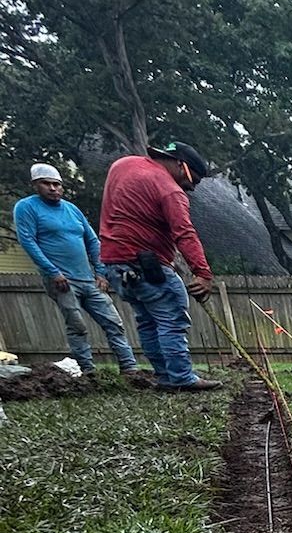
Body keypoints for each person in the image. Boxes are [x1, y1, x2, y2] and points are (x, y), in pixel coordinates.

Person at [98, 142, 223, 393]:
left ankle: (166, 375)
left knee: (147, 320)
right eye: (193, 180)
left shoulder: (122, 166)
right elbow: (185, 234)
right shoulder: (169, 190)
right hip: (146, 265)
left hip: (115, 264)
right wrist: (203, 273)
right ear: (180, 164)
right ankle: (180, 377)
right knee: (172, 318)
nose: (191, 188)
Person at [11, 163, 142, 380]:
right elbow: (28, 241)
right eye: (47, 184)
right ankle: (88, 371)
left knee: (113, 321)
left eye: (57, 184)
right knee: (77, 325)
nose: (53, 188)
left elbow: (92, 240)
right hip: (62, 279)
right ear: (36, 185)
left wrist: (101, 271)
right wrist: (52, 272)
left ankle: (129, 368)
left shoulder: (72, 210)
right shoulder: (26, 208)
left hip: (88, 278)